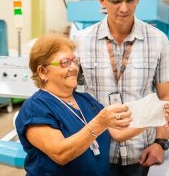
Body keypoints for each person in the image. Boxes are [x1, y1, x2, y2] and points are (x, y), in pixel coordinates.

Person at [74, 0, 169, 176]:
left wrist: (160, 142)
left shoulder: (158, 40)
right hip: (95, 151)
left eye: (130, 0)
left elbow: (167, 96)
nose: (124, 8)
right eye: (116, 1)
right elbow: (70, 95)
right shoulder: (81, 41)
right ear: (103, 0)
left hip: (140, 152)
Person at [16, 35, 148, 176]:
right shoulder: (36, 107)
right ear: (42, 72)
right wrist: (100, 122)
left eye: (75, 61)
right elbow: (60, 153)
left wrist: (153, 118)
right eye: (65, 62)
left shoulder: (85, 100)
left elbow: (117, 132)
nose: (74, 67)